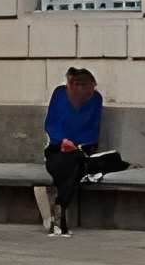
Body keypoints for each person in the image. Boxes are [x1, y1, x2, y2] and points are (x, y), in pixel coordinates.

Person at [42, 66, 103, 236]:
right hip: (58, 147)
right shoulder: (60, 94)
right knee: (69, 165)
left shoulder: (96, 99)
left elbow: (93, 128)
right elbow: (51, 124)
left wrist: (78, 144)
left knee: (76, 163)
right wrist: (63, 141)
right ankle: (61, 210)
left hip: (82, 148)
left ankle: (60, 208)